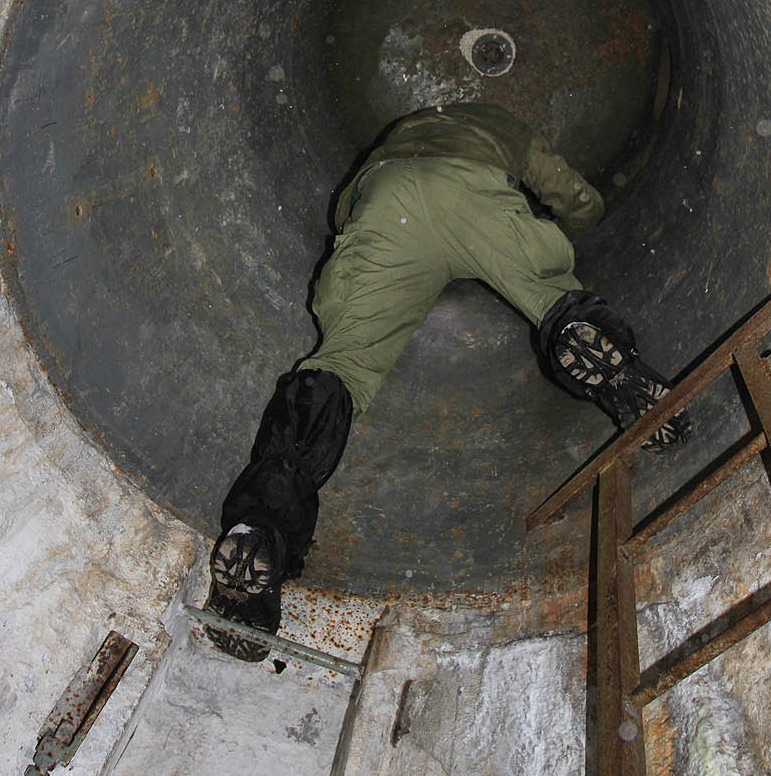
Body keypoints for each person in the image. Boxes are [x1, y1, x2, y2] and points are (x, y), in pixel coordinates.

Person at [207, 101, 689, 658]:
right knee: (547, 293)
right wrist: (589, 223)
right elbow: (571, 194)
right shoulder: (503, 122)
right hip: (470, 187)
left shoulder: (404, 126)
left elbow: (345, 209)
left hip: (386, 198)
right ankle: (581, 332)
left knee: (341, 366)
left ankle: (262, 523)